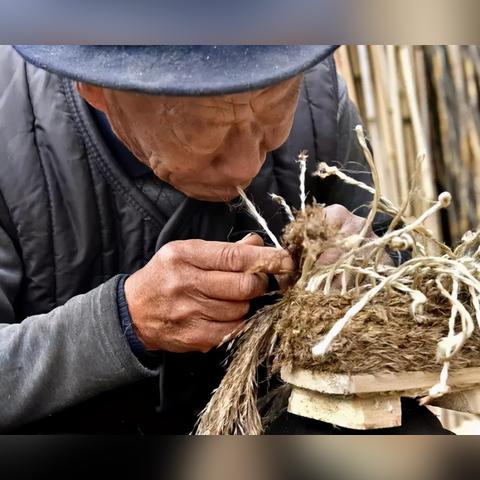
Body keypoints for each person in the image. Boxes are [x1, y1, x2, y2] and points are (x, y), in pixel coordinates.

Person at [0, 45, 446, 433]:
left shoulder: (313, 89)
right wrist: (123, 321)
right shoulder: (13, 128)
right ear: (95, 88)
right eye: (203, 128)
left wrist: (368, 264)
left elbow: (398, 257)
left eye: (272, 111)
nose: (245, 166)